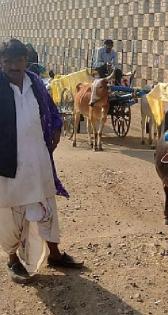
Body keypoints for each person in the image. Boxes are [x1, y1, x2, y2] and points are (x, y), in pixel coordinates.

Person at [0, 39, 83, 284]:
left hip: (38, 159)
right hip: (8, 165)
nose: (14, 66)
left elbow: (51, 110)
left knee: (46, 207)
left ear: (27, 61)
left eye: (19, 60)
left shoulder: (36, 83)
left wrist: (56, 131)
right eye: (8, 61)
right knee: (9, 213)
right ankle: (13, 260)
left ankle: (54, 254)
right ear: (1, 62)